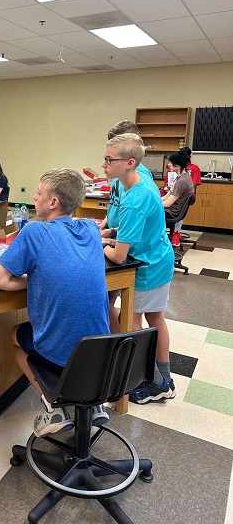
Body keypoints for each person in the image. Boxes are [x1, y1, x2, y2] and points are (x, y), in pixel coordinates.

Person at [0, 168, 110, 436]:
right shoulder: (90, 229)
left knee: (15, 336)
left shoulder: (34, 232)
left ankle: (53, 405)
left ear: (53, 202)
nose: (34, 196)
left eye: (39, 192)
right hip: (102, 354)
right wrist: (45, 276)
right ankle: (95, 403)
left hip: (62, 354)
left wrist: (37, 278)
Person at [101, 133, 175, 404]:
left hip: (147, 267)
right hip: (159, 258)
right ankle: (163, 379)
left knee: (132, 321)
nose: (104, 165)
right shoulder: (143, 185)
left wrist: (101, 245)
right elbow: (135, 230)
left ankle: (147, 381)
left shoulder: (133, 200)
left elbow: (119, 256)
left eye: (110, 160)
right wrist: (111, 232)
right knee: (156, 318)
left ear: (129, 162)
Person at [98, 120, 156, 333]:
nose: (105, 164)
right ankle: (114, 345)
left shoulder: (138, 187)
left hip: (139, 254)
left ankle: (125, 354)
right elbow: (115, 207)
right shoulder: (119, 177)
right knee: (107, 301)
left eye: (110, 159)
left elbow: (133, 215)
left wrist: (105, 239)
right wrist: (106, 227)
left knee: (134, 317)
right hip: (121, 242)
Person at [162, 148, 199, 246]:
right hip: (171, 210)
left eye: (170, 163)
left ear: (177, 166)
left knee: (143, 212)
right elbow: (166, 196)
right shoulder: (182, 177)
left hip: (171, 212)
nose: (168, 165)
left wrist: (151, 205)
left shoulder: (182, 181)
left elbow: (168, 203)